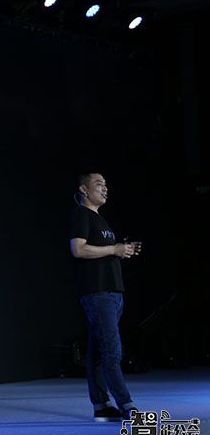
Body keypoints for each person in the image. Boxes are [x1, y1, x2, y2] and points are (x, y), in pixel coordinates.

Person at [69, 173, 142, 422]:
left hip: (111, 293)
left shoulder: (100, 219)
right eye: (99, 184)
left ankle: (101, 405)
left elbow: (104, 251)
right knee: (112, 351)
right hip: (98, 293)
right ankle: (127, 405)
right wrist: (114, 249)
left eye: (106, 184)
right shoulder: (82, 214)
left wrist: (122, 250)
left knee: (99, 352)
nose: (105, 188)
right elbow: (78, 249)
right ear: (83, 189)